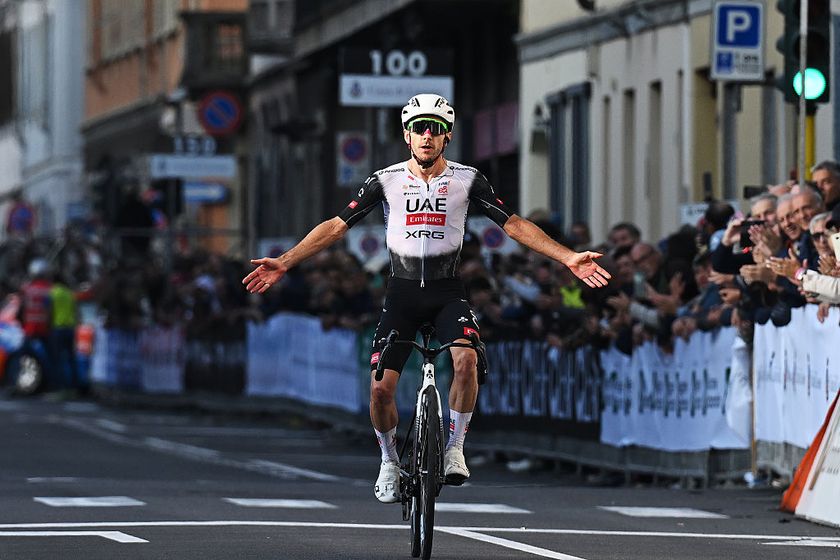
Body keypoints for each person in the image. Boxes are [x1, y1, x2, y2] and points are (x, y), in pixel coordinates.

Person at [242, 93, 611, 503]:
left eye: (435, 128)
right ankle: (388, 460)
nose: (427, 135)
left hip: (447, 292)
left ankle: (454, 448)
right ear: (407, 135)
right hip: (400, 295)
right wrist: (286, 261)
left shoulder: (468, 178)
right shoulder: (385, 179)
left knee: (467, 360)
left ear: (447, 136)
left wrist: (568, 257)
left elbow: (515, 225)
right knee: (381, 390)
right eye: (419, 128)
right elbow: (335, 226)